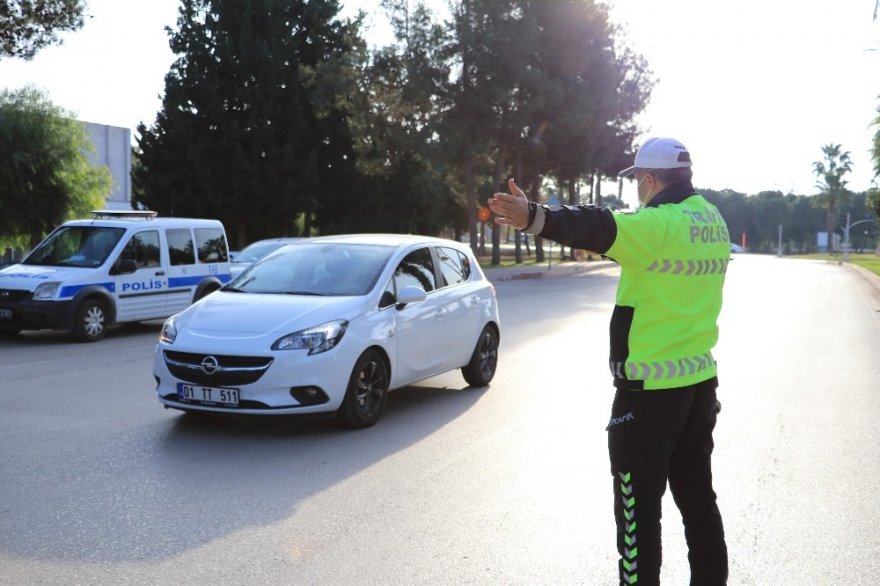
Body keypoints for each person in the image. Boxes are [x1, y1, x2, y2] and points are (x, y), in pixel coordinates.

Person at [488, 137, 730, 585]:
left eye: (639, 179)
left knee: (637, 520)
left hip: (648, 400)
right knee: (699, 503)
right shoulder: (712, 220)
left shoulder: (659, 225)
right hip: (699, 388)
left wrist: (534, 218)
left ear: (652, 178)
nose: (638, 188)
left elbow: (598, 226)